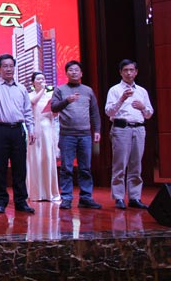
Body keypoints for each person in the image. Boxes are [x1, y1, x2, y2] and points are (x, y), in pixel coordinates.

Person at [0, 42, 35, 214]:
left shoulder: (22, 88)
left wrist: (31, 129)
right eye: (5, 66)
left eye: (11, 66)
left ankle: (21, 201)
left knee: (20, 168)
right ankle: (1, 200)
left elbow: (27, 111)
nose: (9, 69)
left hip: (18, 130)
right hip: (0, 130)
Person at [51, 60, 102, 210]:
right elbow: (54, 108)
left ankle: (86, 198)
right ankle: (66, 198)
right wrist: (66, 101)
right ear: (66, 73)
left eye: (76, 70)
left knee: (85, 168)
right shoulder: (60, 90)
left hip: (85, 135)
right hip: (67, 135)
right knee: (66, 168)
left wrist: (97, 130)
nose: (74, 72)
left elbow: (94, 113)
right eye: (71, 70)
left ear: (81, 74)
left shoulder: (88, 90)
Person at [105, 59, 153, 210]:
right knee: (120, 164)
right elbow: (109, 112)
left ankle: (134, 197)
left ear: (136, 72)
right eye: (125, 70)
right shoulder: (114, 90)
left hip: (139, 129)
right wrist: (122, 99)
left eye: (131, 70)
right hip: (121, 128)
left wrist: (143, 107)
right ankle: (119, 197)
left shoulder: (142, 91)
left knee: (136, 165)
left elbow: (149, 114)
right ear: (120, 72)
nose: (129, 73)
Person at [26, 71, 60, 202]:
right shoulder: (29, 95)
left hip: (47, 129)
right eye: (38, 79)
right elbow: (32, 103)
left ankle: (49, 193)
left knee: (47, 158)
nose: (41, 81)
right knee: (35, 159)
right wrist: (42, 91)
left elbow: (54, 114)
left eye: (43, 79)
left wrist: (56, 110)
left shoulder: (50, 95)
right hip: (34, 129)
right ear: (33, 82)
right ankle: (36, 193)